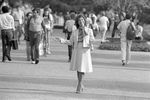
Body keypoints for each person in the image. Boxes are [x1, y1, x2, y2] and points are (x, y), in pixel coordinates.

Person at [55, 14, 95, 94]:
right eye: (79, 20)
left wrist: (93, 43)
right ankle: (81, 84)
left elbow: (92, 40)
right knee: (78, 68)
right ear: (77, 22)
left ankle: (79, 85)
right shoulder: (75, 31)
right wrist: (61, 40)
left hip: (85, 51)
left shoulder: (89, 30)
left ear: (85, 21)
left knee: (82, 68)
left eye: (82, 20)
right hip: (77, 50)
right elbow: (70, 42)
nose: (81, 22)